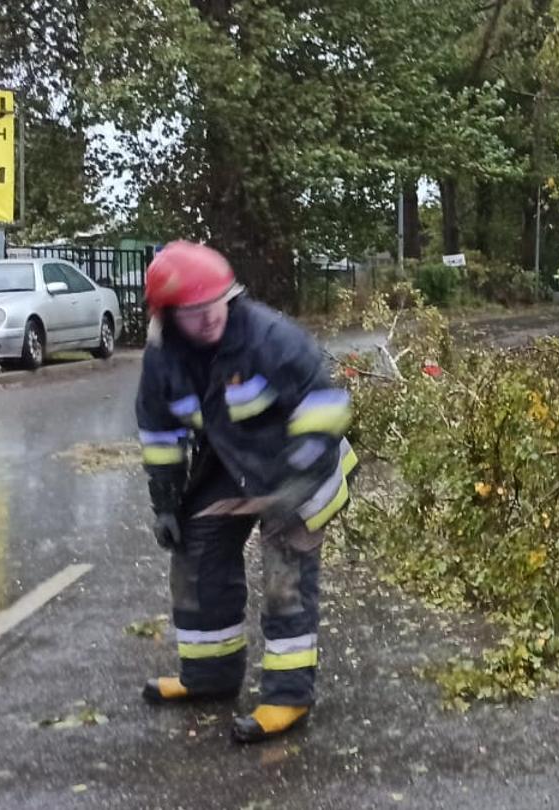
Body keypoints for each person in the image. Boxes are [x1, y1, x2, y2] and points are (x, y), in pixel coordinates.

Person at [134, 241, 357, 744]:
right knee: (196, 553)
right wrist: (166, 502)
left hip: (302, 468)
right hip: (231, 461)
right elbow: (159, 431)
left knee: (285, 579)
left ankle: (287, 697)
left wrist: (294, 485)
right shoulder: (164, 359)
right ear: (168, 316)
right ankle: (209, 677)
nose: (209, 318)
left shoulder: (269, 338)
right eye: (193, 311)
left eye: (215, 304)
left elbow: (325, 408)